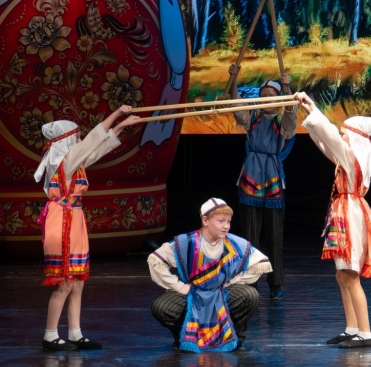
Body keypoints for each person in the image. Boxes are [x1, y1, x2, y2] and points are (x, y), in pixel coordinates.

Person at [35, 107, 142, 351]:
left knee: (78, 281)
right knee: (65, 281)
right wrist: (117, 113)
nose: (80, 139)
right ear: (66, 140)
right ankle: (50, 335)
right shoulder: (66, 160)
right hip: (62, 219)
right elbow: (94, 138)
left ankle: (75, 332)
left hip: (74, 217)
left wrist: (121, 126)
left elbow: (98, 147)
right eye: (76, 136)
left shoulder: (75, 161)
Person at [295, 92, 371, 349]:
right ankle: (352, 327)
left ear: (355, 137)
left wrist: (312, 107)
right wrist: (309, 112)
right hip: (348, 210)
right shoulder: (347, 159)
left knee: (350, 274)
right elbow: (326, 142)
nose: (341, 136)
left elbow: (331, 138)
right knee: (342, 275)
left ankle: (365, 333)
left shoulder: (352, 159)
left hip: (351, 213)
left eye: (345, 133)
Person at [148, 199, 270, 352]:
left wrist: (233, 281)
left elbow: (261, 263)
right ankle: (182, 337)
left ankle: (237, 337)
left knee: (249, 295)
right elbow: (155, 260)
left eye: (228, 221)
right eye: (221, 221)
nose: (226, 226)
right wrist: (179, 286)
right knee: (161, 307)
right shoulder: (187, 242)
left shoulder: (235, 243)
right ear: (205, 220)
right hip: (193, 294)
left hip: (222, 292)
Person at [227, 64, 297, 300]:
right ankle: (250, 282)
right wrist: (234, 79)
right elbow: (236, 106)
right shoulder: (252, 118)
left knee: (275, 236)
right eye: (263, 96)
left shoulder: (282, 122)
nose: (266, 99)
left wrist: (287, 88)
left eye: (272, 96)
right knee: (250, 236)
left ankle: (275, 284)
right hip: (250, 177)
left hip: (273, 179)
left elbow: (291, 112)